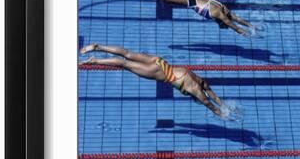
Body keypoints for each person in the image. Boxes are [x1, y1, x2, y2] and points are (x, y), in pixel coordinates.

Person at [80, 43, 224, 117]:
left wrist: (224, 105)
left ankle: (98, 47)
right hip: (159, 72)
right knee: (125, 64)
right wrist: (222, 114)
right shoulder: (194, 90)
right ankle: (95, 60)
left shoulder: (200, 81)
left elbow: (212, 94)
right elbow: (208, 103)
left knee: (127, 53)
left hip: (160, 62)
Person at [111, 0, 252, 35]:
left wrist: (250, 26)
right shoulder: (217, 14)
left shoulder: (224, 8)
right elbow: (232, 24)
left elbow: (236, 18)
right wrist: (243, 32)